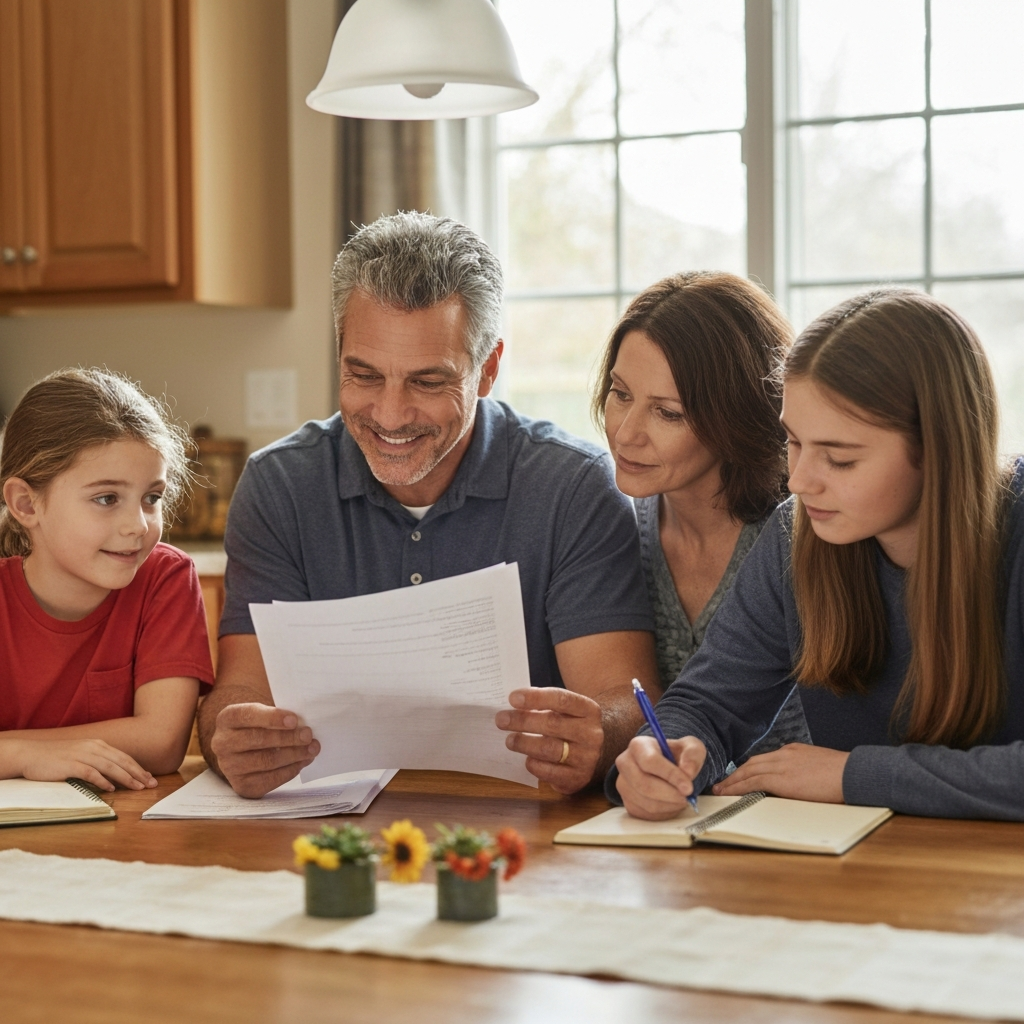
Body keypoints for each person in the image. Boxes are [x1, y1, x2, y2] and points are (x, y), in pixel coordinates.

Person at [200, 211, 658, 799]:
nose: (390, 416)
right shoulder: (279, 486)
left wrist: (600, 736)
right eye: (363, 375)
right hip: (326, 830)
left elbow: (623, 698)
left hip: (524, 826)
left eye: (427, 382)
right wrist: (229, 738)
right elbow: (239, 691)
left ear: (487, 369)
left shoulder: (571, 487)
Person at [613, 288, 1024, 821]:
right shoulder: (796, 536)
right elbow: (709, 706)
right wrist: (660, 755)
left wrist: (852, 774)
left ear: (938, 451)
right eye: (794, 443)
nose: (800, 481)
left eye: (840, 459)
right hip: (860, 869)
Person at [593, 272, 809, 757]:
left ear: (737, 414)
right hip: (664, 813)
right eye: (621, 393)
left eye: (668, 413)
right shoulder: (612, 525)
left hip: (813, 821)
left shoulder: (805, 533)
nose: (625, 434)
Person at [0, 368, 214, 792]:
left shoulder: (165, 579)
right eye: (106, 498)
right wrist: (25, 755)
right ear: (26, 504)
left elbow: (162, 743)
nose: (137, 525)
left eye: (151, 498)